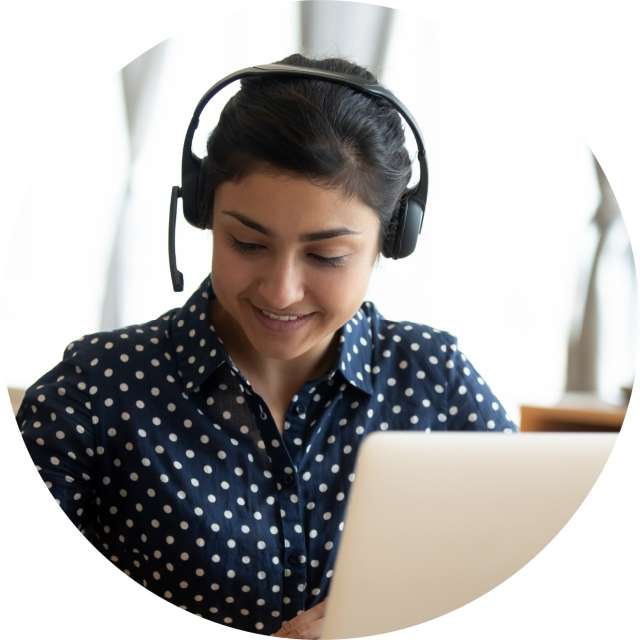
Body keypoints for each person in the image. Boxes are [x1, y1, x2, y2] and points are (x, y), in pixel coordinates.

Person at [15, 53, 517, 639]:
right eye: (247, 243)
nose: (282, 290)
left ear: (393, 239)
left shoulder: (437, 382)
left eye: (327, 256)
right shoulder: (95, 390)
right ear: (203, 213)